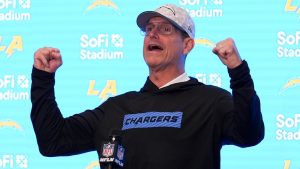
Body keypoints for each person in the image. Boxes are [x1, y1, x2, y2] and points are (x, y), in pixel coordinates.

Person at [31, 3, 264, 169]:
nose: (153, 35)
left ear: (187, 45)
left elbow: (250, 134)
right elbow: (52, 141)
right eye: (149, 29)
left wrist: (238, 71)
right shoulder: (116, 108)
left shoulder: (211, 102)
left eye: (165, 29)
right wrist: (43, 78)